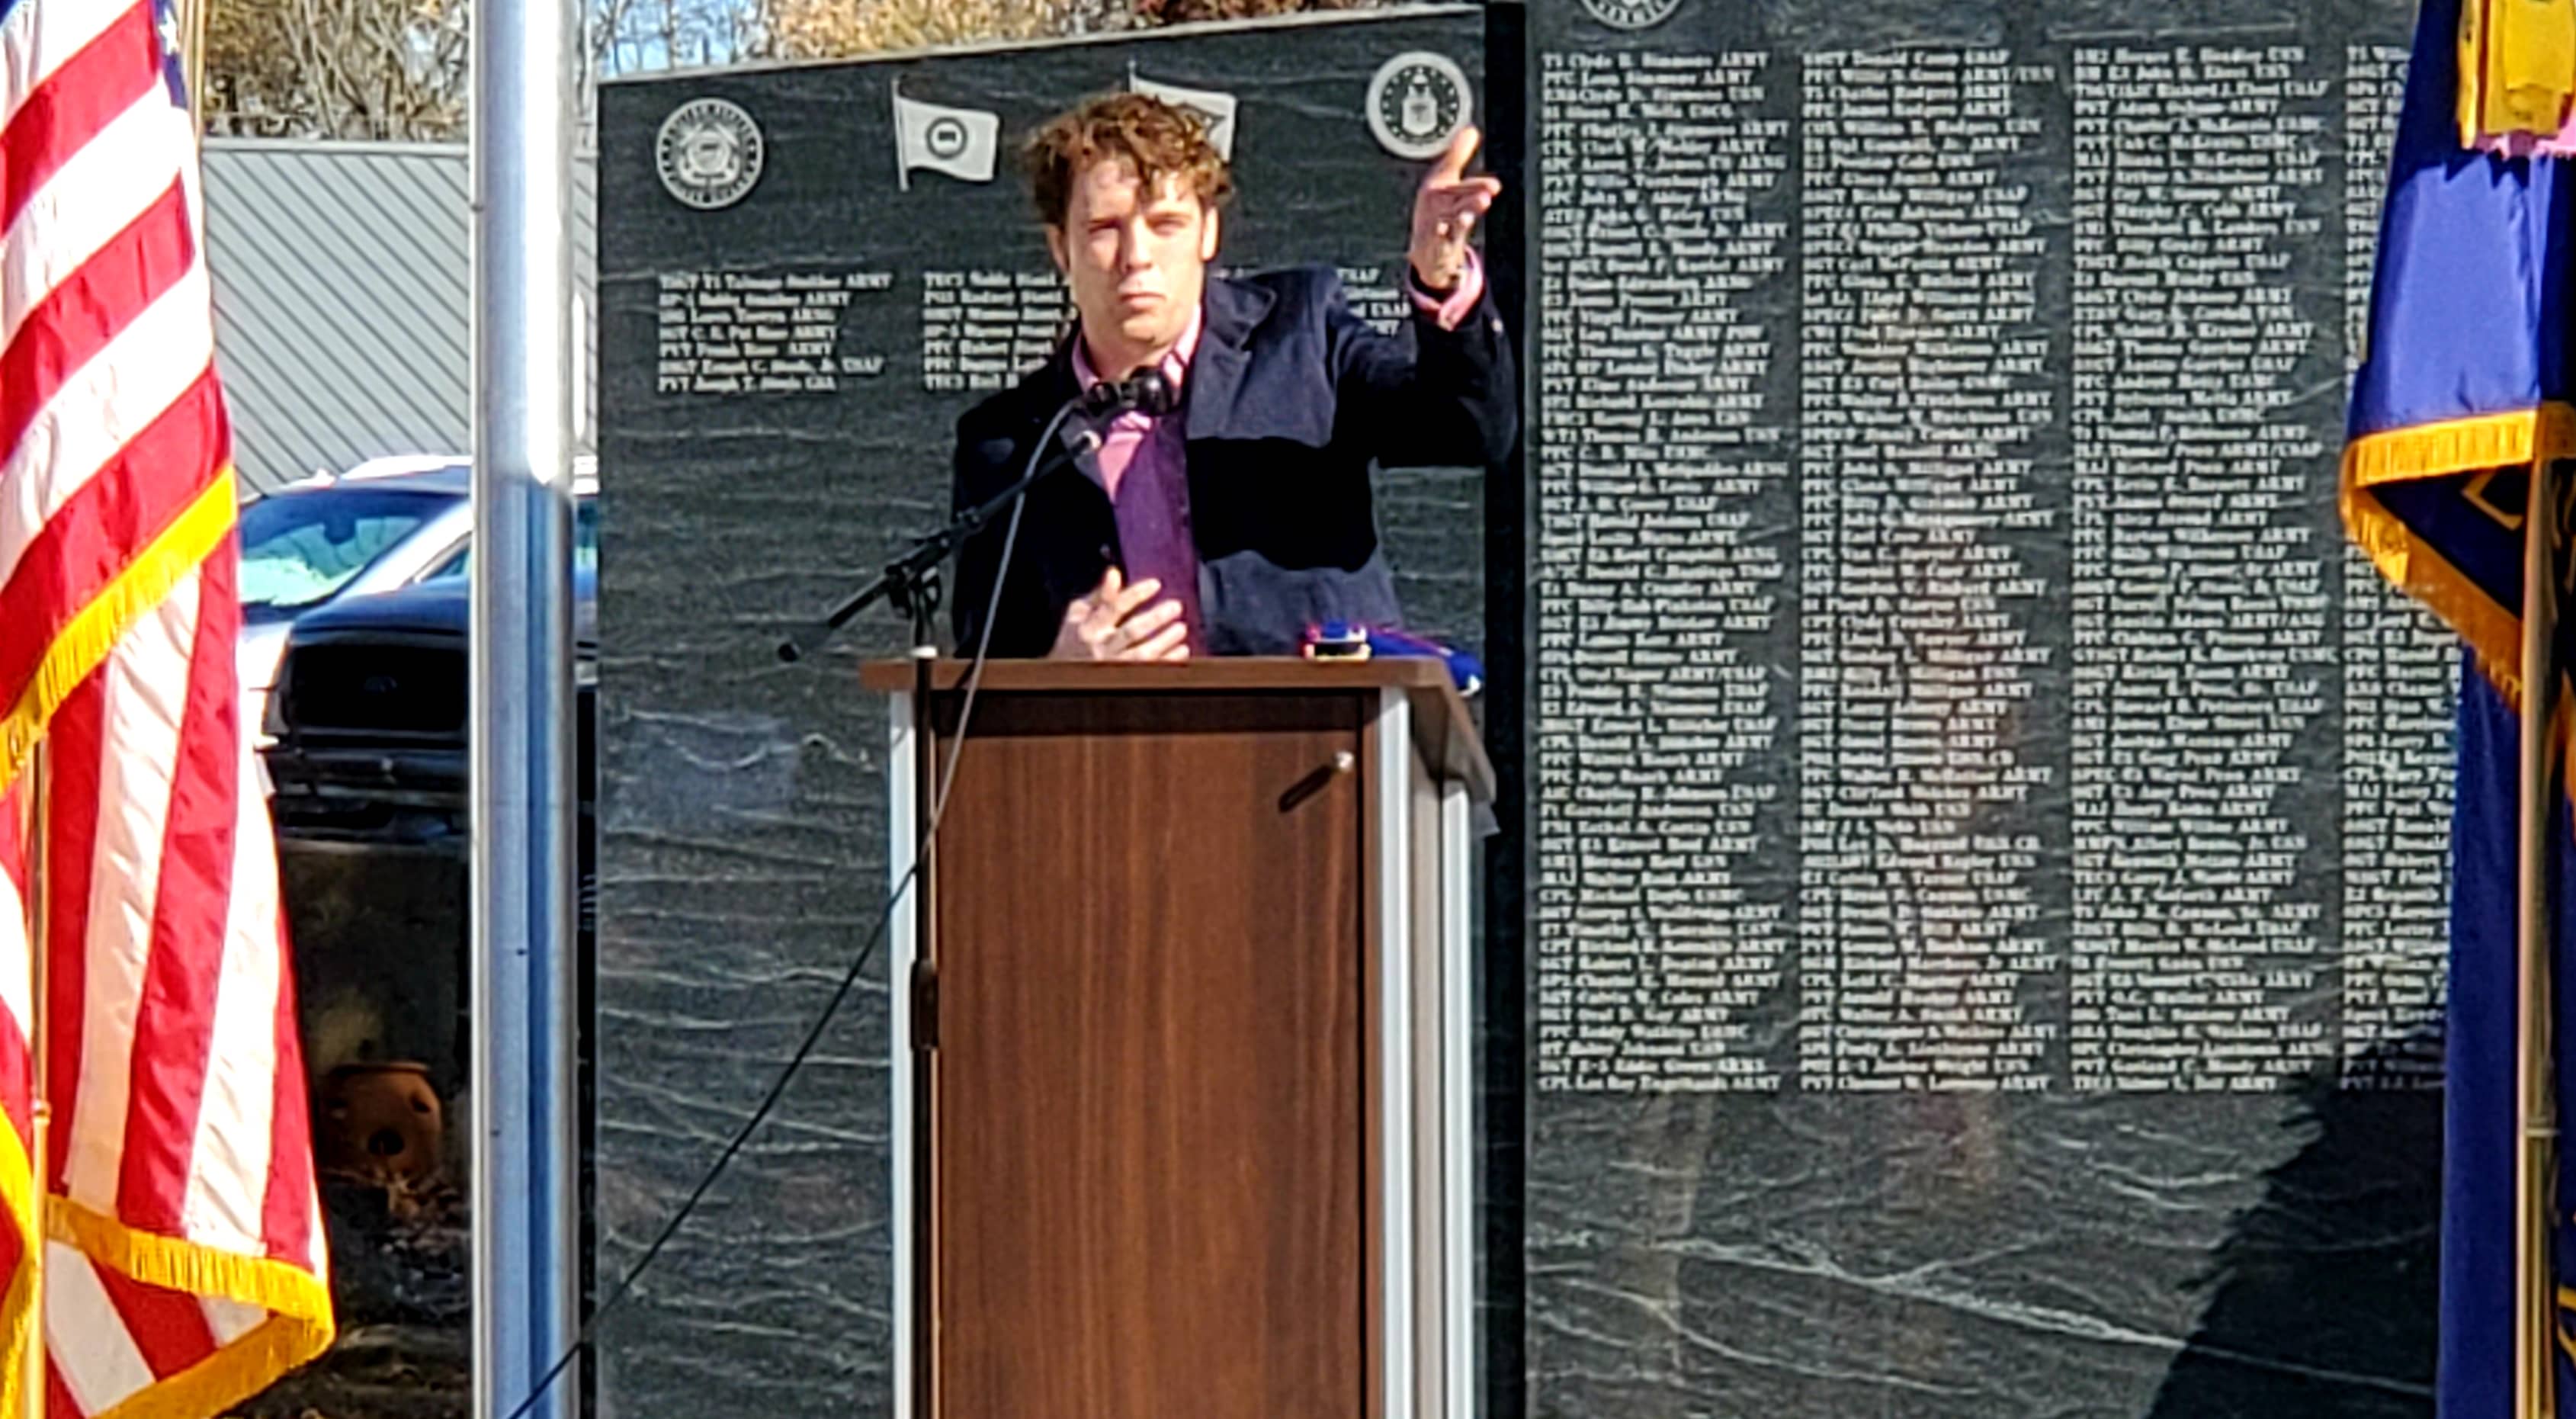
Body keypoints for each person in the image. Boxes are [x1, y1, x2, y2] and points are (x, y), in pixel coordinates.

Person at [950, 92, 1517, 660]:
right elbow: (980, 671)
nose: (1136, 256)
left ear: (1207, 234)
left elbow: (1468, 428)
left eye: (1165, 223)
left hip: (1320, 736)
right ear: (1060, 248)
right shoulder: (1006, 443)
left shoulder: (1301, 334)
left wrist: (1440, 282)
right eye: (1104, 228)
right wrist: (1057, 673)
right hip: (1112, 744)